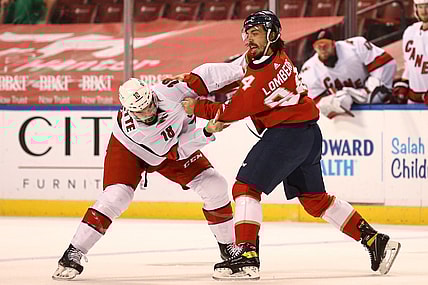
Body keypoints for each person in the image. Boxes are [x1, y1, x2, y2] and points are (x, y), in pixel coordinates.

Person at [181, 10, 401, 280]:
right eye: (247, 33)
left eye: (256, 33)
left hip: (287, 134)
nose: (249, 39)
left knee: (245, 187)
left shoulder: (261, 77)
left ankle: (247, 256)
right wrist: (196, 80)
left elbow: (230, 111)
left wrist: (196, 106)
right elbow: (237, 73)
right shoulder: (273, 57)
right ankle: (375, 241)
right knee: (315, 201)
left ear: (271, 35)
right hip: (306, 134)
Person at [51, 63, 246, 280]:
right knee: (117, 196)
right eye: (140, 111)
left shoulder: (168, 91)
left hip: (171, 147)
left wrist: (242, 68)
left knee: (214, 185)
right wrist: (207, 131)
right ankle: (73, 252)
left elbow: (204, 76)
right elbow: (176, 151)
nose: (148, 112)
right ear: (129, 111)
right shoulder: (138, 131)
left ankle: (228, 249)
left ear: (152, 96)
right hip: (131, 149)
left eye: (149, 105)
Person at [300, 29, 397, 118]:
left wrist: (365, 94)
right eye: (318, 45)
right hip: (342, 121)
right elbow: (311, 103)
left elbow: (386, 64)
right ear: (314, 47)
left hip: (375, 103)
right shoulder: (309, 70)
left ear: (334, 44)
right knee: (341, 100)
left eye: (325, 44)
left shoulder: (355, 46)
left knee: (377, 88)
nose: (322, 48)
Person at [392, 0, 428, 105]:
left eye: (427, 7)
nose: (424, 11)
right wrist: (403, 83)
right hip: (413, 100)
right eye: (420, 7)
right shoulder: (410, 31)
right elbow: (409, 63)